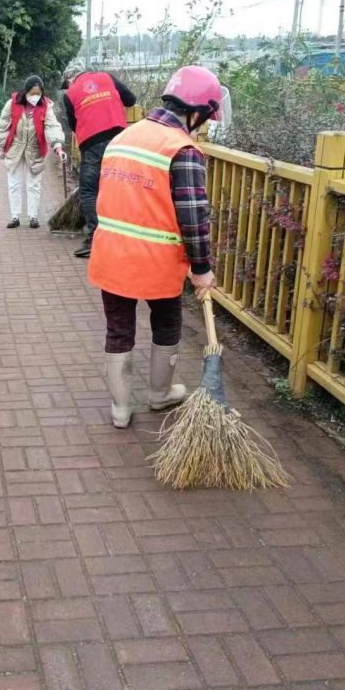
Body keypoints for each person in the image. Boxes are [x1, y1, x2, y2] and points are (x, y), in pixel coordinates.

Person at [87, 65, 220, 429]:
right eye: (205, 117)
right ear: (196, 111)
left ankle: (120, 409)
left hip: (111, 254)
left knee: (118, 329)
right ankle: (159, 395)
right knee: (166, 323)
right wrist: (202, 267)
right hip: (156, 261)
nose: (203, 125)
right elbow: (194, 217)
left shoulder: (123, 137)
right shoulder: (182, 148)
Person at [62, 63, 137, 258]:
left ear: (70, 79)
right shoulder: (107, 77)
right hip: (119, 141)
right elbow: (131, 100)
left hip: (92, 145)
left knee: (89, 191)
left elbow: (73, 125)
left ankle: (96, 238)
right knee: (120, 186)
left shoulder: (69, 95)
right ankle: (122, 235)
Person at [0, 75, 67, 229]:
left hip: (35, 149)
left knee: (34, 184)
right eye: (32, 93)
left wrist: (58, 146)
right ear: (25, 92)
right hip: (15, 148)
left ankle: (33, 216)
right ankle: (15, 216)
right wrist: (0, 147)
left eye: (38, 93)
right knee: (14, 183)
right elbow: (3, 126)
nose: (35, 97)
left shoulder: (46, 106)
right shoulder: (12, 103)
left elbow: (52, 126)